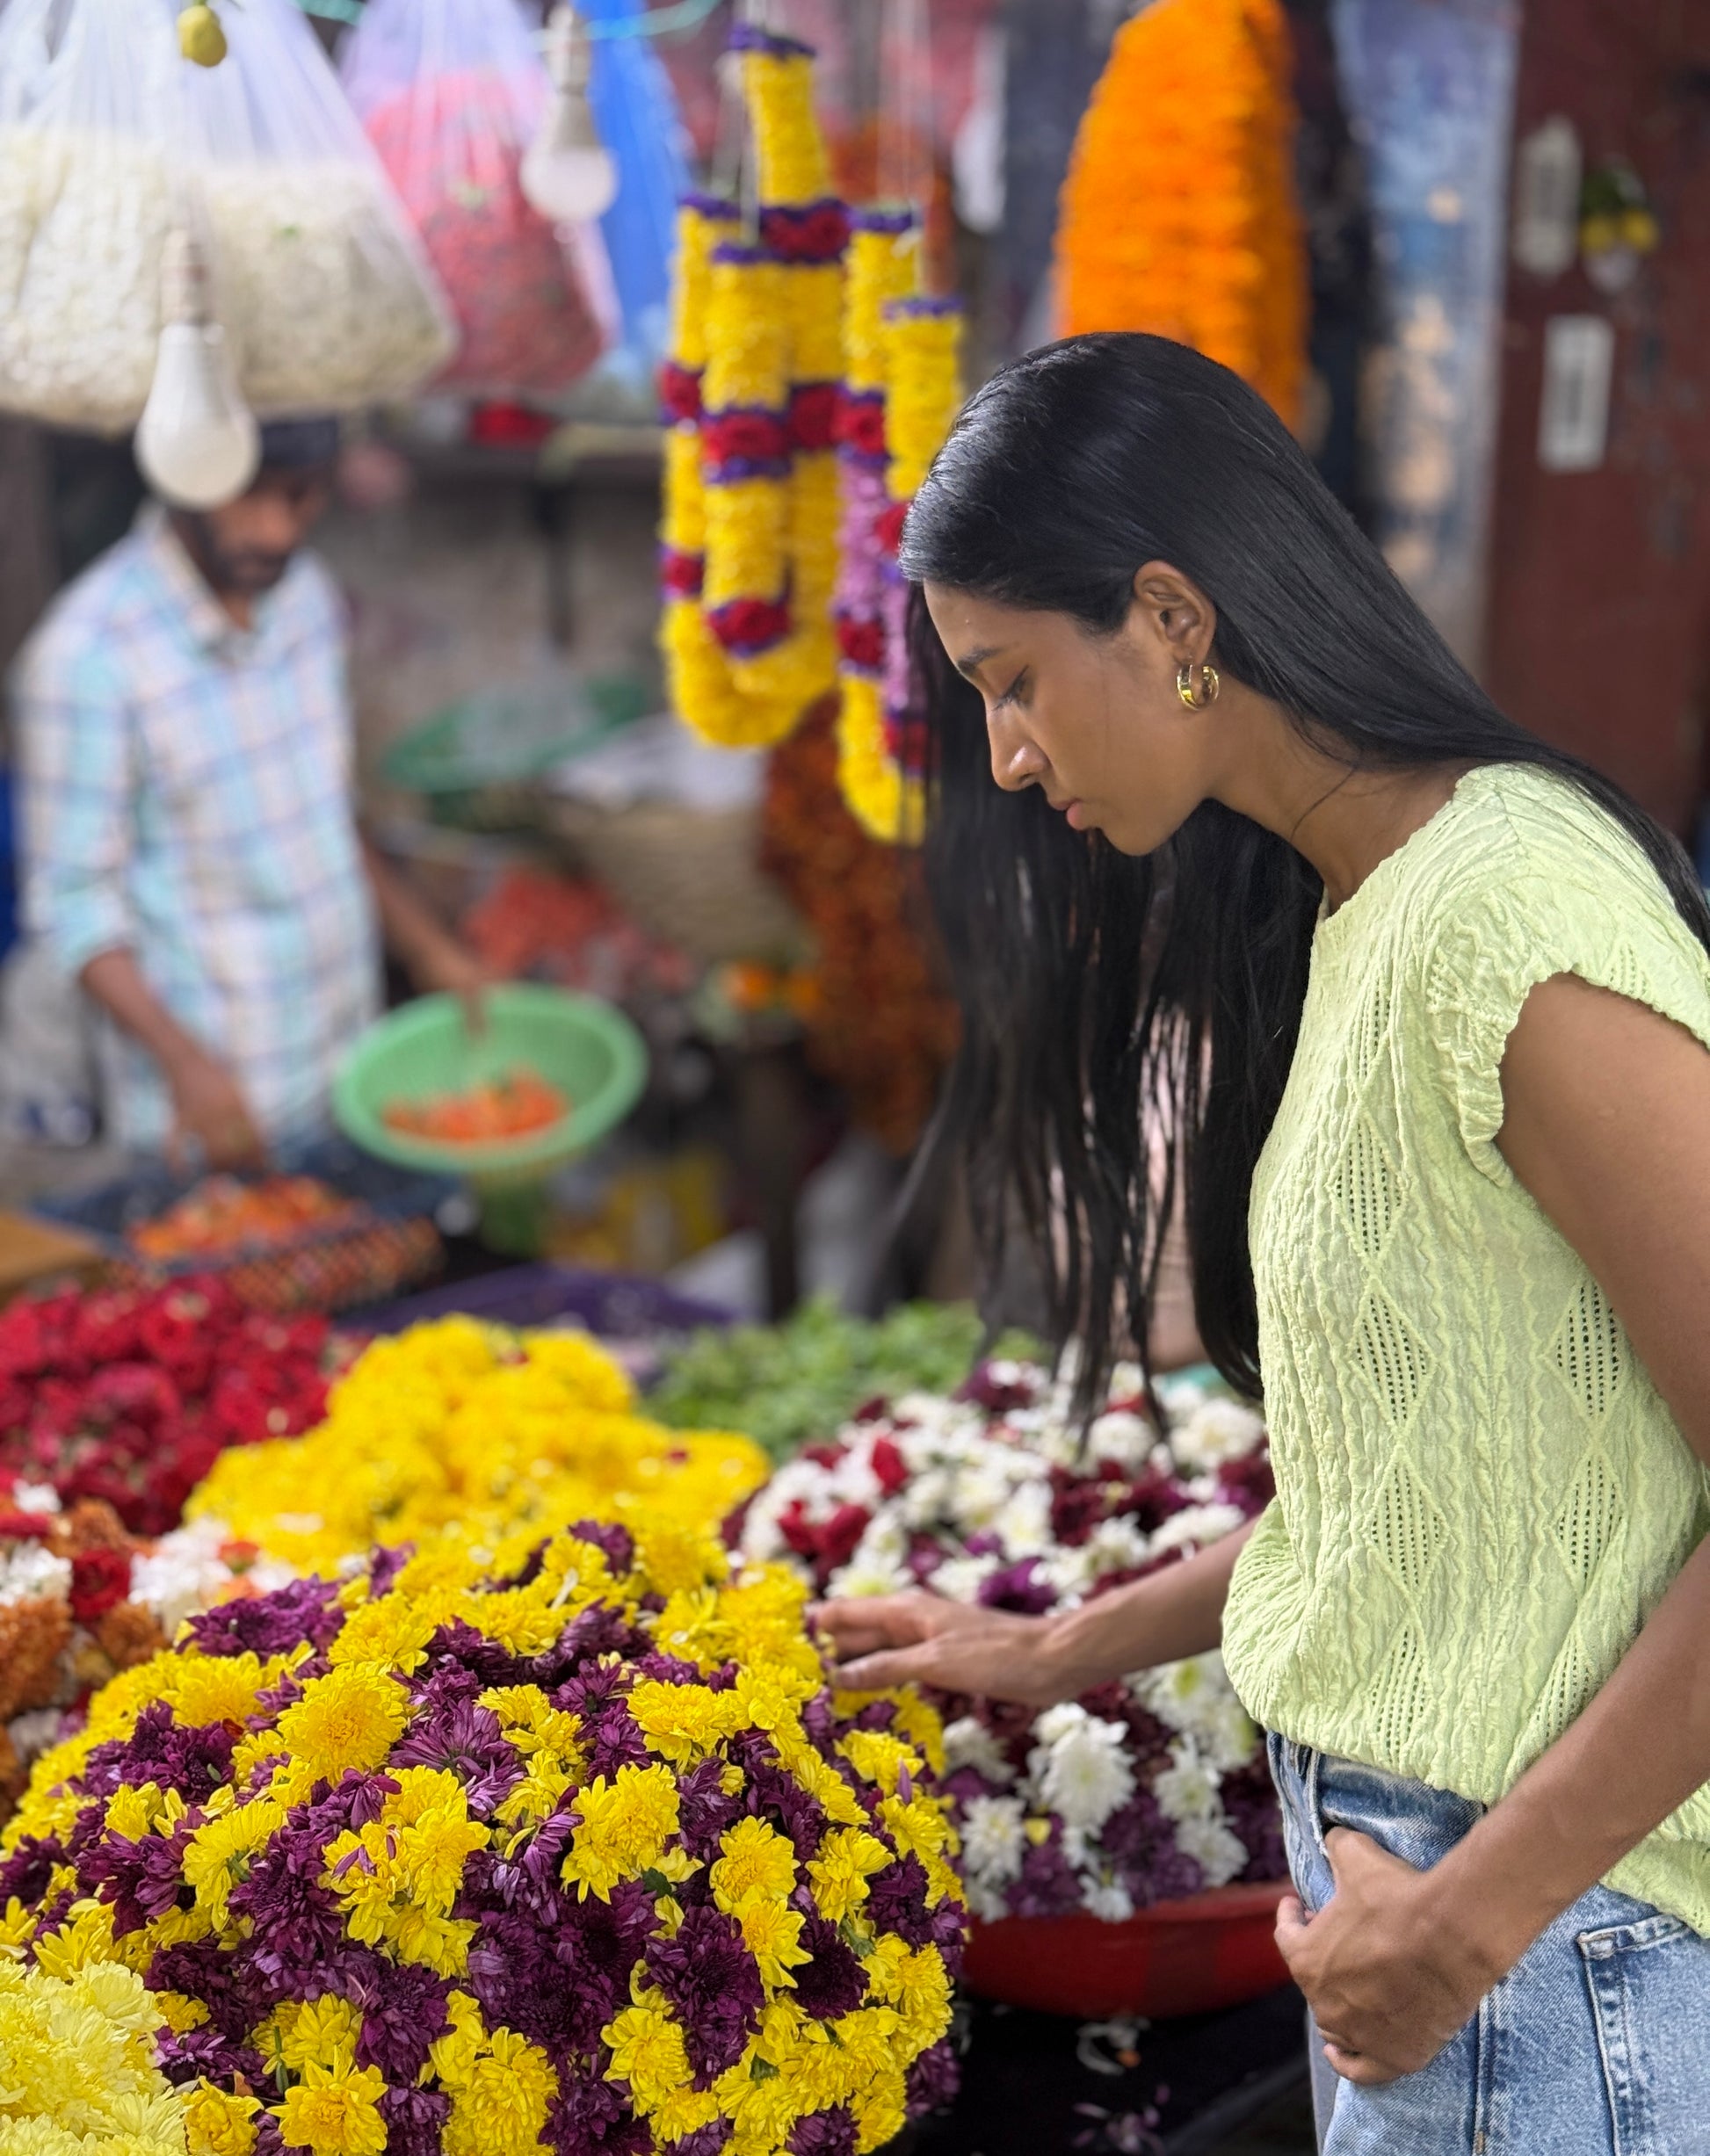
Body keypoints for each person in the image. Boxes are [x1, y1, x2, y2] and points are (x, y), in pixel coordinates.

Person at [815, 333, 1710, 2153]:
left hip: (1544, 1956)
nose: (1004, 756)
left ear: (1166, 615)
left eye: (1012, 682)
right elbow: (1424, 1488)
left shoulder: (1505, 920)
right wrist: (1057, 1648)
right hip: (1457, 1935)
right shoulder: (1358, 903)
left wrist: (1468, 1923)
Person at [12, 418, 488, 1167]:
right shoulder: (87, 658)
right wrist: (187, 1067)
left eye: (298, 500)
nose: (272, 531)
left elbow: (326, 812)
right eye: (245, 502)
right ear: (184, 488)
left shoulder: (307, 601)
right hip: (212, 1115)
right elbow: (72, 906)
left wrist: (429, 949)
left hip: (348, 1073)